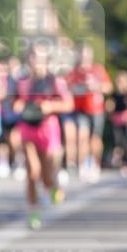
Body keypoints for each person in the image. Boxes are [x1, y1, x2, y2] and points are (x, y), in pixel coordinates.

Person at [13, 46, 74, 230]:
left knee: (47, 176)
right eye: (31, 57)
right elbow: (14, 101)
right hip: (27, 128)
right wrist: (17, 104)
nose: (34, 62)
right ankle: (33, 211)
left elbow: (68, 104)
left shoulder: (54, 81)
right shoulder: (22, 81)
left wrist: (50, 106)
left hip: (48, 128)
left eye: (38, 58)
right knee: (32, 172)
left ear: (46, 61)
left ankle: (53, 186)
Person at [66, 43, 112, 182]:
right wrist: (77, 89)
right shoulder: (73, 72)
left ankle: (95, 164)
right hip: (80, 110)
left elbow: (109, 87)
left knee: (95, 139)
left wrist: (95, 86)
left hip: (96, 109)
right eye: (82, 55)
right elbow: (67, 89)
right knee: (82, 135)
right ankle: (83, 165)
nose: (85, 58)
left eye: (87, 55)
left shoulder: (98, 70)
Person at [106, 70, 127, 172]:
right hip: (117, 121)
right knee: (118, 141)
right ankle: (118, 159)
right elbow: (110, 107)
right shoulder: (114, 95)